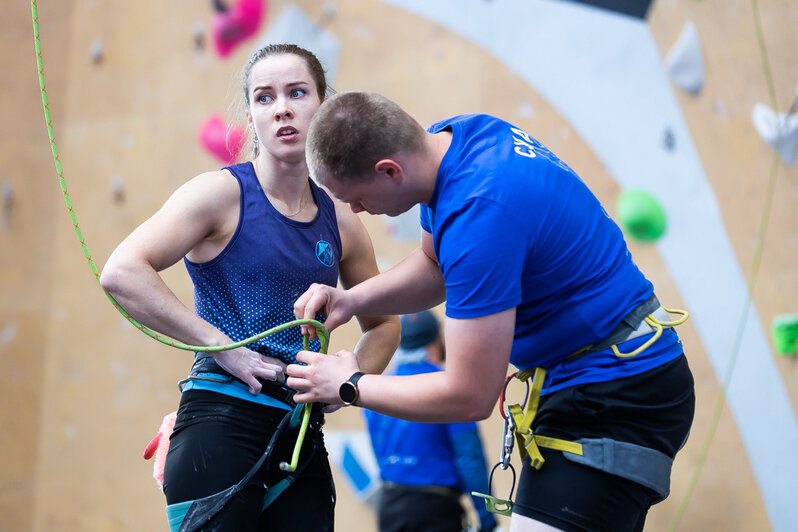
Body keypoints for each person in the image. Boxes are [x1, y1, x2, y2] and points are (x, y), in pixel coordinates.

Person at [286, 91, 696, 532]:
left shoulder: (480, 211)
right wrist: (353, 299)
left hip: (620, 392)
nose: (356, 210)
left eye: (357, 197)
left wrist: (350, 386)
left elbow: (470, 395)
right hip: (593, 379)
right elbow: (435, 266)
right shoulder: (459, 138)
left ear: (390, 170)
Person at [100, 49, 399, 531]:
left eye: (297, 93)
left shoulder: (342, 219)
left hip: (299, 435)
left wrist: (347, 383)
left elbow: (384, 324)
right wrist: (223, 348)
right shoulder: (219, 194)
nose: (281, 108)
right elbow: (122, 271)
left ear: (324, 106)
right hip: (221, 420)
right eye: (265, 97)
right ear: (251, 115)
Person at [364, 311, 497, 532]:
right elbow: (469, 457)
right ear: (437, 340)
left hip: (389, 505)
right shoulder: (449, 387)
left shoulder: (376, 388)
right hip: (436, 510)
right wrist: (487, 518)